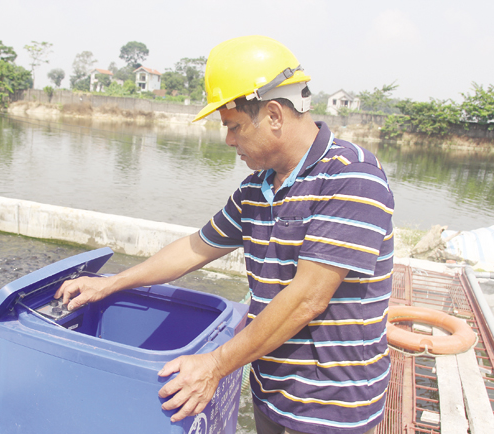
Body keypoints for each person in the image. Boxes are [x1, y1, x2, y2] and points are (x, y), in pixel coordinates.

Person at [55, 35, 393, 434]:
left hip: (332, 408)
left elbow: (308, 299)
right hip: (272, 391)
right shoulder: (258, 187)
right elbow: (195, 248)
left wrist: (214, 365)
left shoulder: (351, 176)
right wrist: (111, 283)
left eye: (233, 127)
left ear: (273, 115)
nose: (229, 140)